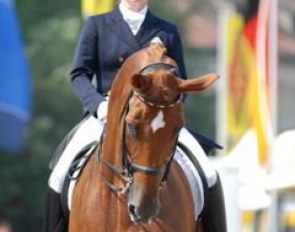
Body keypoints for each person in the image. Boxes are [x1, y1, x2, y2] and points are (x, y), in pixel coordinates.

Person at [43, 0, 226, 231]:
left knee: (208, 173)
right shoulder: (97, 25)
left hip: (155, 118)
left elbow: (180, 82)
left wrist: (166, 108)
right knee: (59, 174)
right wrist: (99, 106)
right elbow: (79, 74)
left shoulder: (167, 30)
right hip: (105, 114)